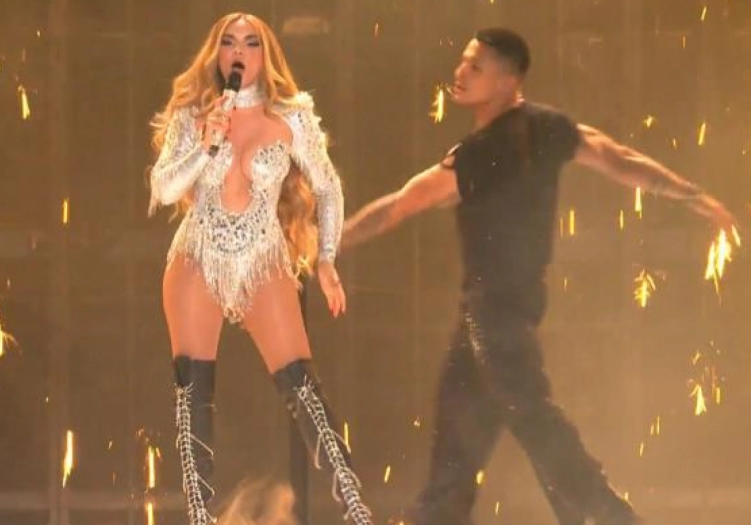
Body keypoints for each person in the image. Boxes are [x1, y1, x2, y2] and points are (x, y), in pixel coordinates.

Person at [340, 28, 737, 525]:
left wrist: (327, 244)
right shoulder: (544, 130)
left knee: (530, 415)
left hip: (495, 317)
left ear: (509, 80)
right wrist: (692, 196)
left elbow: (399, 206)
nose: (459, 73)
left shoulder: (491, 149)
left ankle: (609, 515)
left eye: (475, 66)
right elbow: (619, 159)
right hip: (494, 316)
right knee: (460, 446)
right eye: (463, 61)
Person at [147, 12, 372, 525]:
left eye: (251, 42)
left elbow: (328, 186)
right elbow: (163, 189)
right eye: (229, 42)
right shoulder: (192, 113)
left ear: (265, 55)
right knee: (193, 392)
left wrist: (327, 258)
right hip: (198, 255)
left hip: (262, 257)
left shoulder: (292, 116)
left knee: (302, 386)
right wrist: (206, 144)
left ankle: (358, 512)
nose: (239, 51)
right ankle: (200, 517)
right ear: (216, 53)